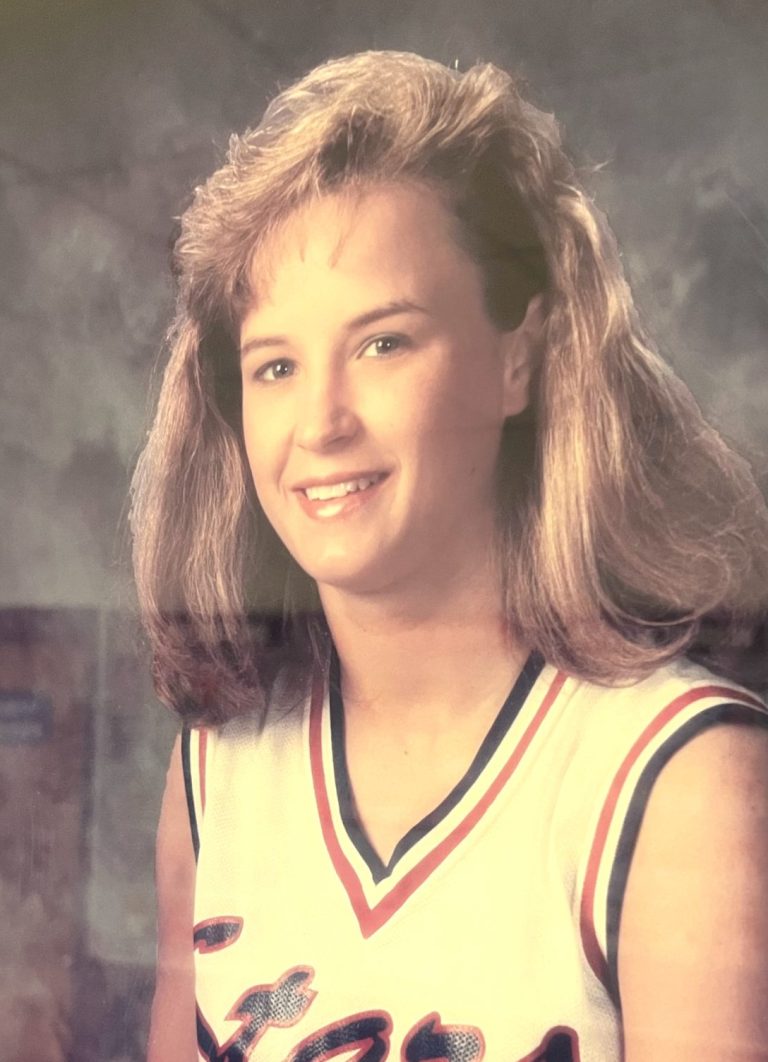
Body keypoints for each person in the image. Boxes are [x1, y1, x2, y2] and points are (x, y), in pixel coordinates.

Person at [131, 51, 768, 1061]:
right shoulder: (215, 771)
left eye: (384, 343)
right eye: (276, 366)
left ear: (519, 358)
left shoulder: (683, 780)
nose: (321, 423)